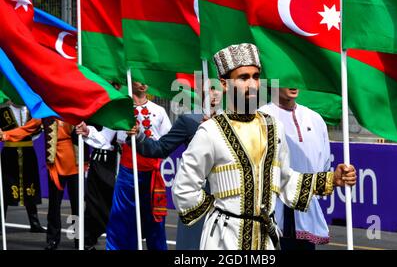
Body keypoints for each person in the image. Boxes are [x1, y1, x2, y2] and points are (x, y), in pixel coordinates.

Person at [172, 43, 357, 250]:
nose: (252, 84)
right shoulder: (210, 131)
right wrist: (219, 215)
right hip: (224, 242)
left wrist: (332, 179)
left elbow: (286, 180)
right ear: (224, 84)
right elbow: (184, 189)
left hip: (265, 240)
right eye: (243, 78)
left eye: (256, 76)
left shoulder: (273, 128)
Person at [130, 85, 222, 250]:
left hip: (229, 198)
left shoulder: (238, 121)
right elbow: (160, 148)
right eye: (209, 88)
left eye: (217, 88)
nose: (213, 93)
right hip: (199, 198)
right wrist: (139, 135)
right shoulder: (190, 121)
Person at [259, 88, 331, 250]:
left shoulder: (315, 119)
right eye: (286, 78)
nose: (293, 84)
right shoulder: (259, 119)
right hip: (270, 219)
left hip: (306, 216)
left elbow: (324, 166)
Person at [105, 81, 172, 250]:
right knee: (123, 220)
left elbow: (169, 142)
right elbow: (104, 137)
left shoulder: (159, 111)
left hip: (152, 173)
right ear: (131, 80)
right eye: (138, 80)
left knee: (155, 222)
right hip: (128, 172)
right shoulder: (121, 109)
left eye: (145, 81)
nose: (143, 84)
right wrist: (86, 131)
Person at [0, 117, 80, 250]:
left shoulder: (74, 110)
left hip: (76, 163)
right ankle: (53, 240)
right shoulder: (45, 112)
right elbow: (27, 129)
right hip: (55, 164)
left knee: (76, 205)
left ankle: (78, 239)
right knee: (54, 205)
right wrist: (6, 134)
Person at [0, 102, 45, 233]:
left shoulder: (31, 110)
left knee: (30, 186)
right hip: (10, 152)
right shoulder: (3, 110)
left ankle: (34, 222)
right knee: (6, 187)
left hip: (27, 151)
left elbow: (37, 132)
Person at [75, 122, 119, 250]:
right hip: (101, 162)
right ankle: (87, 239)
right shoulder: (101, 113)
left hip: (121, 161)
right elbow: (103, 138)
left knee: (117, 204)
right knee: (95, 202)